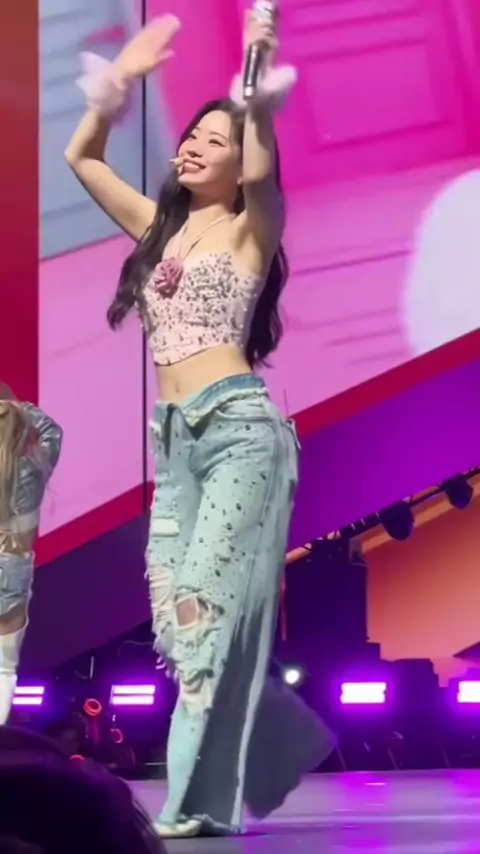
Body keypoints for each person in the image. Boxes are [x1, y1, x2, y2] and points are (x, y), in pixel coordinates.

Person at [66, 12, 335, 838]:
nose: (191, 147)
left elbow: (260, 165)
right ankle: (279, 742)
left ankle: (195, 804)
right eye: (191, 136)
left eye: (213, 141)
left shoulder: (254, 227)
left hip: (239, 434)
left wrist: (253, 68)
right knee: (177, 631)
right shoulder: (161, 230)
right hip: (176, 443)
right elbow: (82, 158)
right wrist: (116, 87)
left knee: (200, 613)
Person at [0, 384, 63, 725]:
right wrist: (16, 405)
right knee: (3, 669)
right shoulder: (34, 466)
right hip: (13, 569)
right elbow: (53, 431)